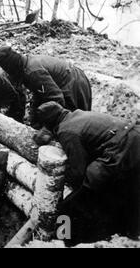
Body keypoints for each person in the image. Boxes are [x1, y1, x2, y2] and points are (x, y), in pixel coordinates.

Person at [36, 101, 140, 244]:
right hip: (134, 136)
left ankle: (63, 240)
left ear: (48, 124)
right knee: (126, 188)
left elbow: (78, 173)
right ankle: (131, 229)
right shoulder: (77, 114)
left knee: (73, 203)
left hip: (122, 148)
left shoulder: (66, 131)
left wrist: (66, 178)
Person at [0, 46, 92, 128]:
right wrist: (34, 120)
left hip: (73, 82)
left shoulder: (33, 72)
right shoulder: (24, 64)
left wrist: (46, 128)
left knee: (73, 121)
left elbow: (56, 98)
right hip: (66, 80)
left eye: (4, 67)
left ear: (10, 64)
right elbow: (40, 93)